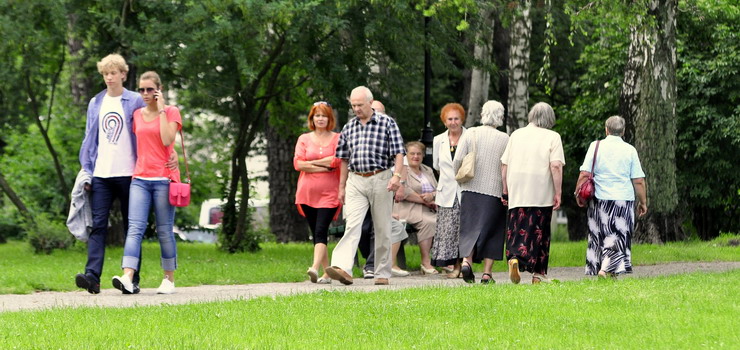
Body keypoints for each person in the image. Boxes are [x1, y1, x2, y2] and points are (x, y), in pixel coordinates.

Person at [74, 54, 151, 294]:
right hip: (102, 175)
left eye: (114, 73)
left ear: (123, 75)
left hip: (130, 174)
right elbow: (90, 138)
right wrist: (88, 171)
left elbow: (146, 132)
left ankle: (132, 279)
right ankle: (92, 277)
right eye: (106, 73)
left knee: (132, 227)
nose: (109, 77)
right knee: (98, 226)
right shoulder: (96, 102)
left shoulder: (135, 100)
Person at [324, 86, 406, 286]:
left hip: (381, 177)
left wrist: (397, 176)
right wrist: (342, 186)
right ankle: (343, 268)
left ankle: (382, 272)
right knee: (352, 224)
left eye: (360, 105)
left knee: (382, 227)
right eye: (353, 105)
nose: (356, 109)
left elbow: (399, 152)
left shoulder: (387, 123)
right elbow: (343, 158)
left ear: (370, 102)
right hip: (355, 179)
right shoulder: (349, 127)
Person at [112, 71, 182, 294]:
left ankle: (169, 280)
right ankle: (127, 276)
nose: (144, 93)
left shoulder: (171, 112)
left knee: (164, 231)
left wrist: (161, 109)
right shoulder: (136, 115)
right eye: (141, 89)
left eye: (149, 89)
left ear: (158, 90)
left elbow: (166, 139)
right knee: (134, 228)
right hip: (140, 178)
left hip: (163, 179)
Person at [576, 116, 647, 278]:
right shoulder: (630, 150)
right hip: (622, 199)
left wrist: (577, 193)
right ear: (623, 132)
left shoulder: (595, 146)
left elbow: (584, 173)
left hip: (599, 200)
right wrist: (643, 202)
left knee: (598, 234)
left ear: (606, 130)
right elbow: (639, 180)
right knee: (618, 235)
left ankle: (603, 268)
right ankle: (606, 268)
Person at [501, 102, 565, 284]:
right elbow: (556, 165)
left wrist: (505, 188)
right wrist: (558, 192)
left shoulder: (516, 135)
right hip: (540, 189)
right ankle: (538, 273)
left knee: (517, 226)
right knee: (540, 231)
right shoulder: (553, 137)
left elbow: (504, 164)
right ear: (549, 118)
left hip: (517, 188)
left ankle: (514, 257)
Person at [453, 101, 509, 284]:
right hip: (495, 191)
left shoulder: (471, 133)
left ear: (483, 114)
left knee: (469, 227)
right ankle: (487, 274)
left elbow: (458, 159)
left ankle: (466, 262)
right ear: (500, 116)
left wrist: (459, 177)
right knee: (493, 231)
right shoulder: (505, 138)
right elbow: (507, 166)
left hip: (470, 188)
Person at [293, 101, 341, 284]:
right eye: (317, 115)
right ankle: (327, 274)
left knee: (321, 230)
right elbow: (298, 164)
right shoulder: (304, 139)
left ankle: (313, 267)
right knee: (317, 233)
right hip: (307, 193)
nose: (320, 119)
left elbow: (336, 161)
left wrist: (311, 164)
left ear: (330, 118)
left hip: (329, 193)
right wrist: (323, 163)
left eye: (324, 116)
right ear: (312, 118)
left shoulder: (337, 137)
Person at [431, 103, 466, 278]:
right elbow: (436, 165)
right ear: (444, 121)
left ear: (462, 120)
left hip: (465, 190)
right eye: (449, 119)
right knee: (449, 231)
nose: (453, 122)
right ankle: (454, 266)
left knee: (465, 229)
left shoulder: (469, 137)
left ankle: (464, 264)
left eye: (456, 119)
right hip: (446, 192)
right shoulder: (438, 140)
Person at [394, 141, 438, 275]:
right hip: (407, 208)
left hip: (429, 208)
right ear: (406, 155)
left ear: (423, 155)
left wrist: (432, 195)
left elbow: (438, 189)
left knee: (448, 221)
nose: (415, 156)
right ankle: (426, 262)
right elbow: (403, 192)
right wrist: (425, 201)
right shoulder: (401, 169)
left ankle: (446, 261)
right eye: (412, 153)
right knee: (430, 222)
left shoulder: (427, 170)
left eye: (419, 154)